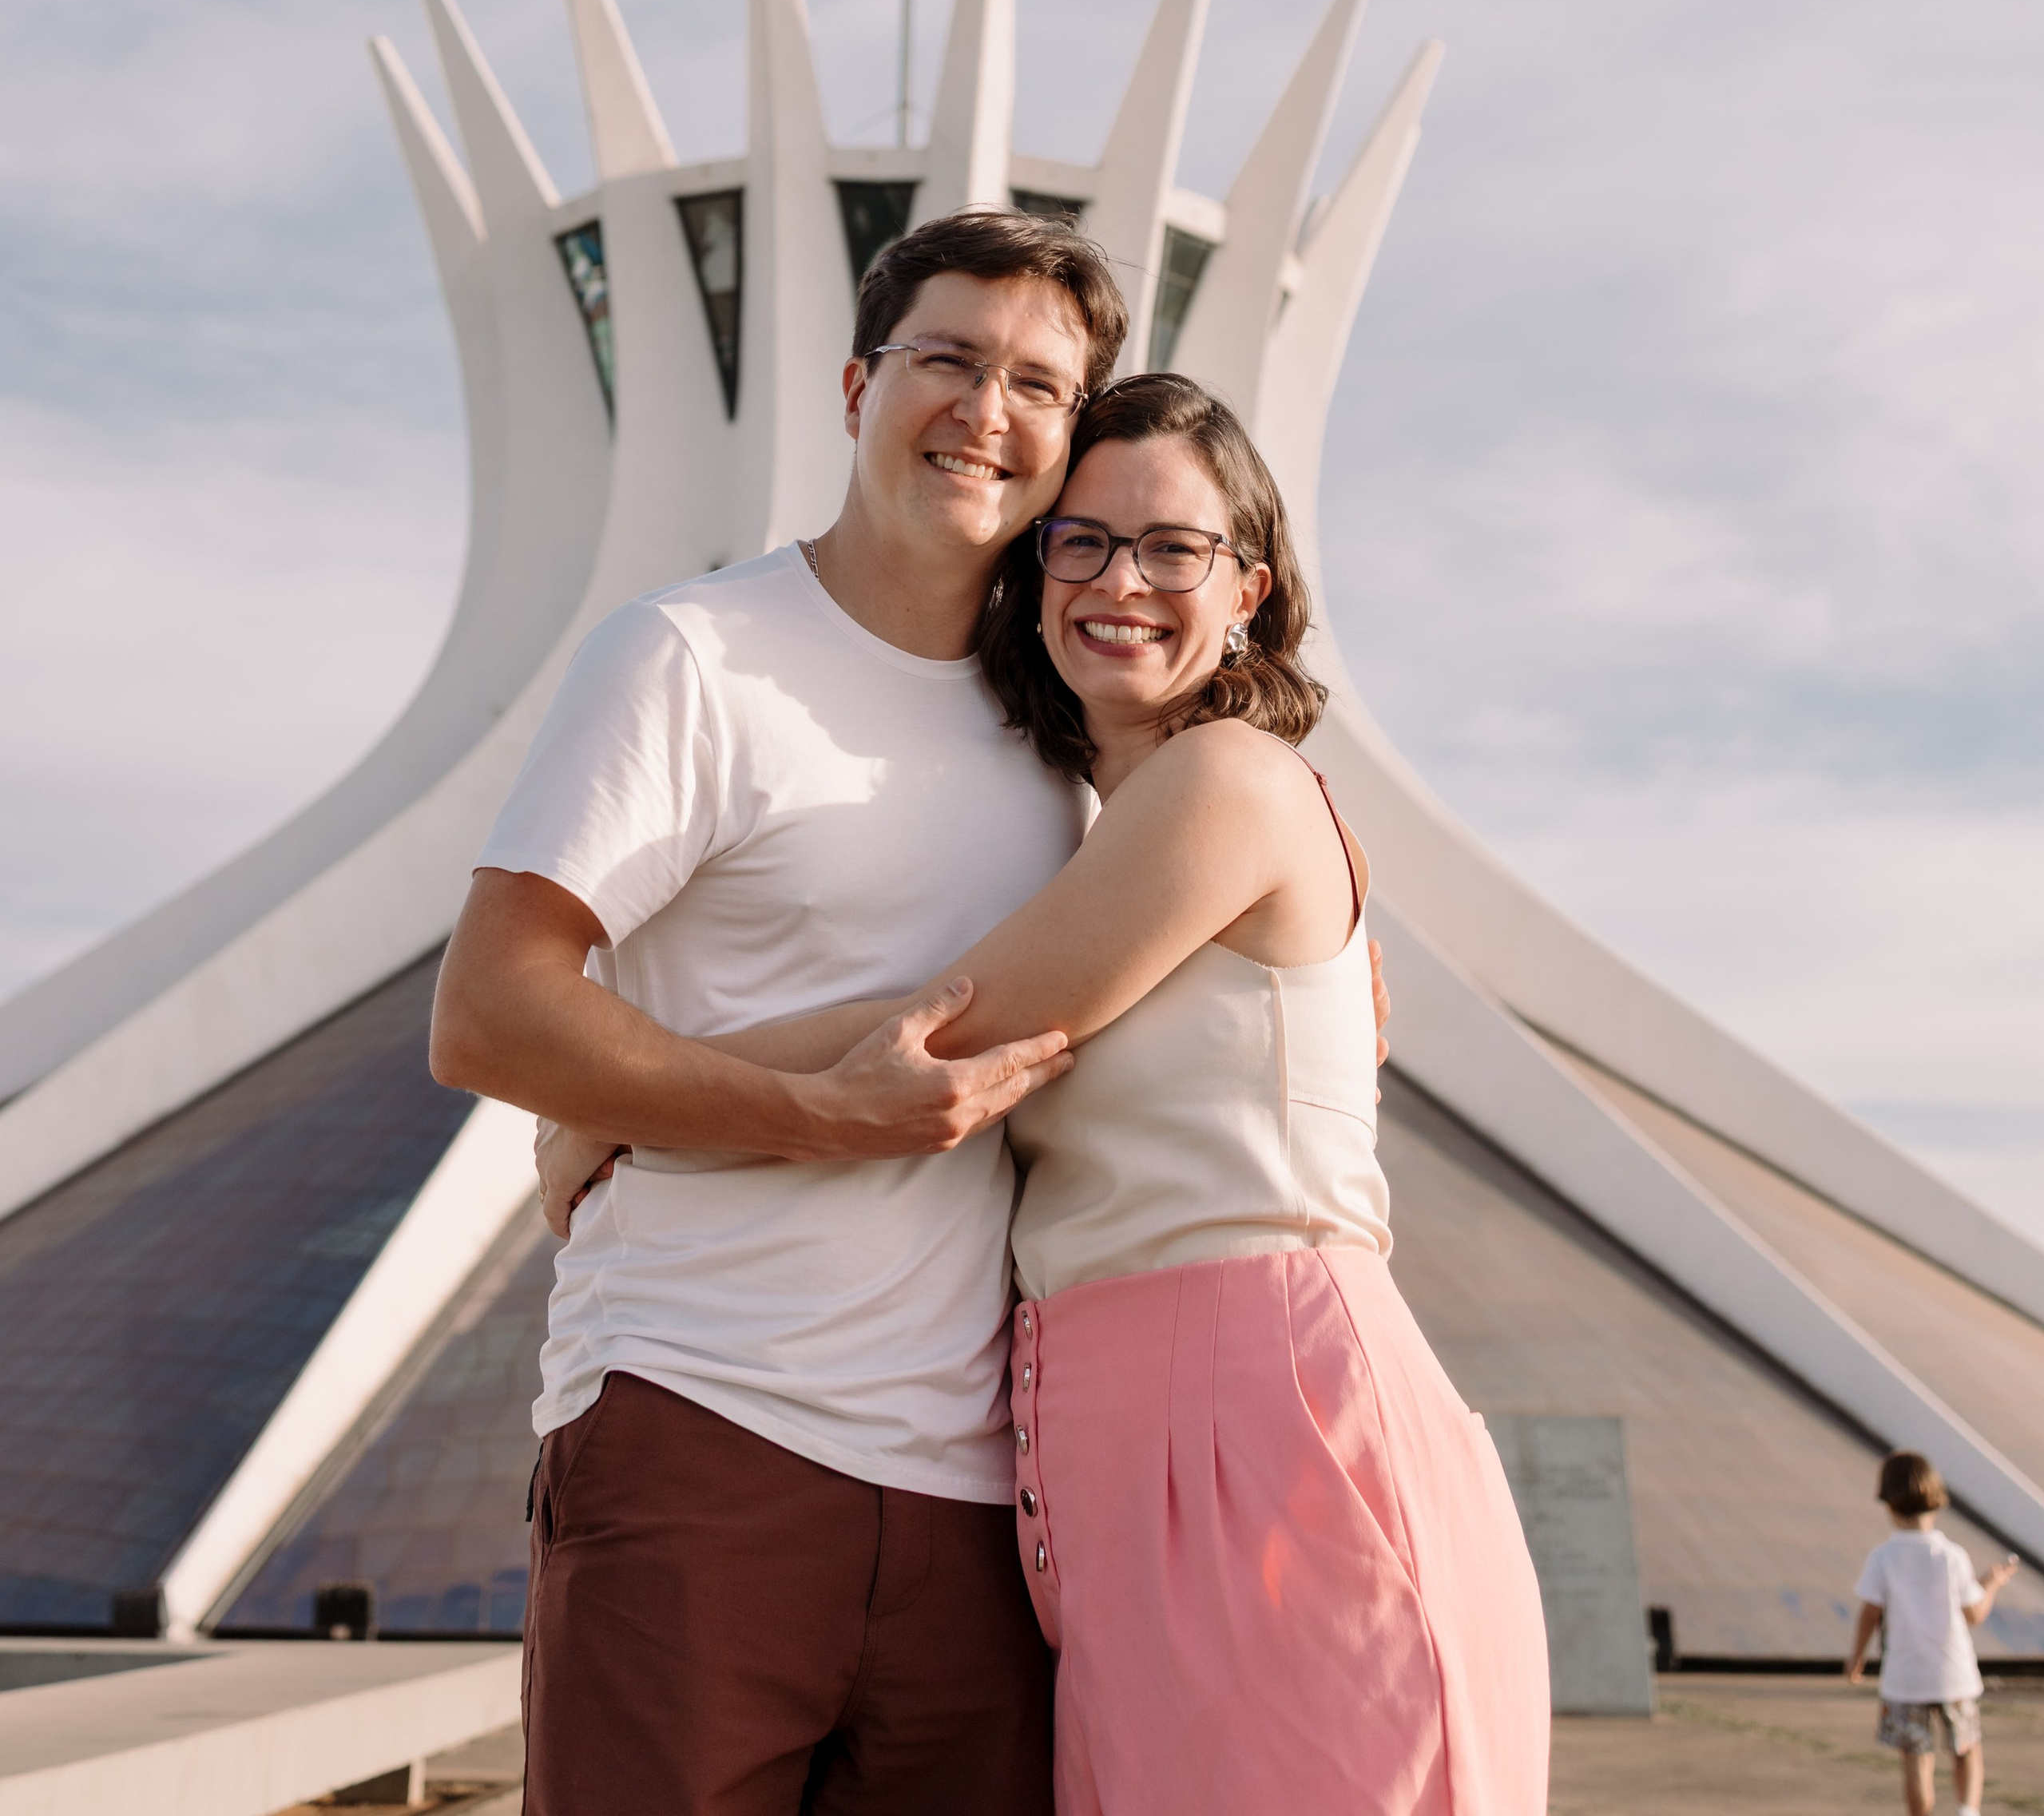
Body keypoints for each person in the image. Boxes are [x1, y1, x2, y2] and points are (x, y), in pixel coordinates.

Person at [432, 208, 1391, 1816]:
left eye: (1037, 385)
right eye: (946, 359)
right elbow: (488, 1014)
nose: (986, 410)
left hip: (986, 1491)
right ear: (856, 384)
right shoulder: (695, 658)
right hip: (703, 1417)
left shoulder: (1070, 735)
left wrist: (618, 1104)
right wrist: (799, 1110)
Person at [605, 372, 1546, 1813]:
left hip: (1265, 1426)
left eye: (1177, 548)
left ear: (1253, 591)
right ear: (1032, 571)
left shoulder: (1224, 780)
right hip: (1112, 1458)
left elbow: (955, 1031)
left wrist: (612, 1091)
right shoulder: (1100, 832)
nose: (1125, 581)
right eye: (1083, 541)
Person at [1846, 1449, 2018, 1815]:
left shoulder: (1882, 1557)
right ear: (1937, 1500)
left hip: (1905, 1680)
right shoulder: (1951, 1556)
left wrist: (1856, 1657)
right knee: (1966, 1748)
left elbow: (1869, 1613)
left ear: (1888, 1504)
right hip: (1952, 1676)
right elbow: (1974, 1614)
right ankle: (1967, 1811)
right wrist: (1991, 1584)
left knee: (1916, 1757)